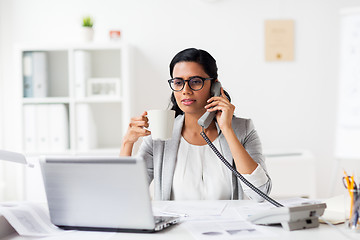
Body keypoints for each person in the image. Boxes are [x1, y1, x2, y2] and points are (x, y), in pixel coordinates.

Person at [120, 48, 271, 201]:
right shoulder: (160, 136)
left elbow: (260, 194)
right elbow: (127, 195)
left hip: (227, 225)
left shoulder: (243, 129)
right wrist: (127, 143)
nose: (185, 90)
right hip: (177, 225)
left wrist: (227, 129)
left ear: (214, 87)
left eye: (196, 82)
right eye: (178, 82)